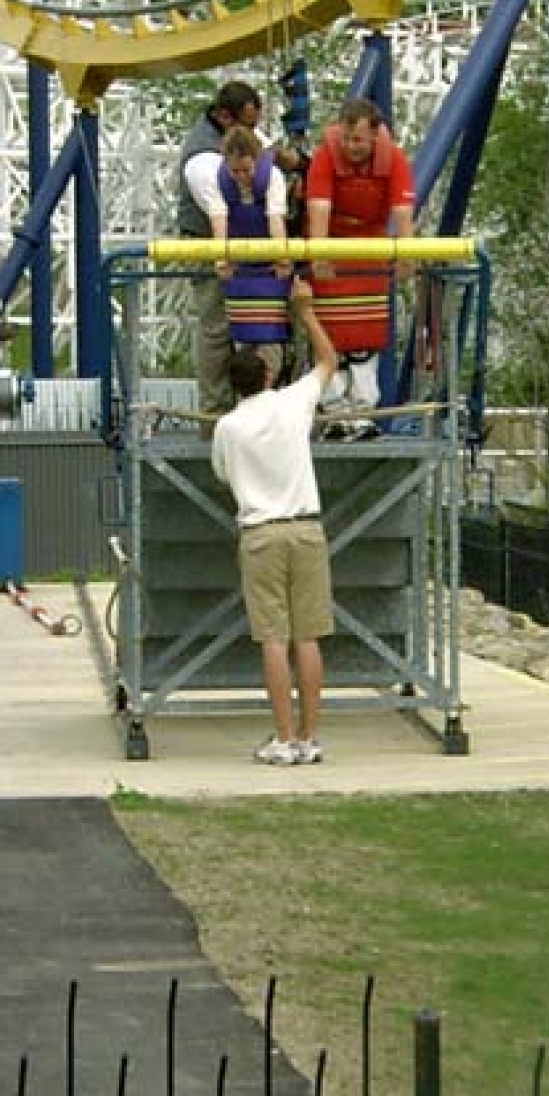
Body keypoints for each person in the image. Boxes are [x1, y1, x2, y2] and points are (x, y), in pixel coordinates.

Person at [211, 277, 340, 767]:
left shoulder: (228, 427)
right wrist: (305, 313)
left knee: (273, 639)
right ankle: (309, 737)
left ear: (232, 384)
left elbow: (224, 475)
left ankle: (282, 739)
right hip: (306, 526)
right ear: (267, 374)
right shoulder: (291, 402)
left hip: (260, 533)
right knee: (309, 638)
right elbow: (328, 361)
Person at [304, 97, 415, 431]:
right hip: (332, 246)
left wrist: (407, 254)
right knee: (328, 334)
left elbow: (402, 211)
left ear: (375, 136)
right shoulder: (325, 155)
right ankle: (334, 410)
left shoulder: (393, 158)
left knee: (367, 336)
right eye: (347, 139)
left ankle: (364, 409)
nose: (352, 146)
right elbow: (319, 208)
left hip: (369, 251)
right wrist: (320, 254)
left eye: (359, 140)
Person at [177, 80, 262, 414]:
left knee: (251, 327)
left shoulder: (236, 141)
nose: (253, 133)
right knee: (217, 330)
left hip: (241, 247)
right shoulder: (202, 159)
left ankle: (249, 408)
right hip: (208, 245)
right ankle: (215, 412)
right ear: (226, 117)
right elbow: (221, 211)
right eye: (248, 125)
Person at [203, 125, 293, 383]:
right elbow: (219, 221)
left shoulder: (272, 177)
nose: (241, 177)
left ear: (256, 160)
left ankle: (273, 381)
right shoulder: (217, 180)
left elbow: (275, 219)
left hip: (269, 269)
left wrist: (282, 259)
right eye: (235, 172)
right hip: (239, 269)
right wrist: (222, 260)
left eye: (246, 170)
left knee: (272, 337)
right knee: (241, 337)